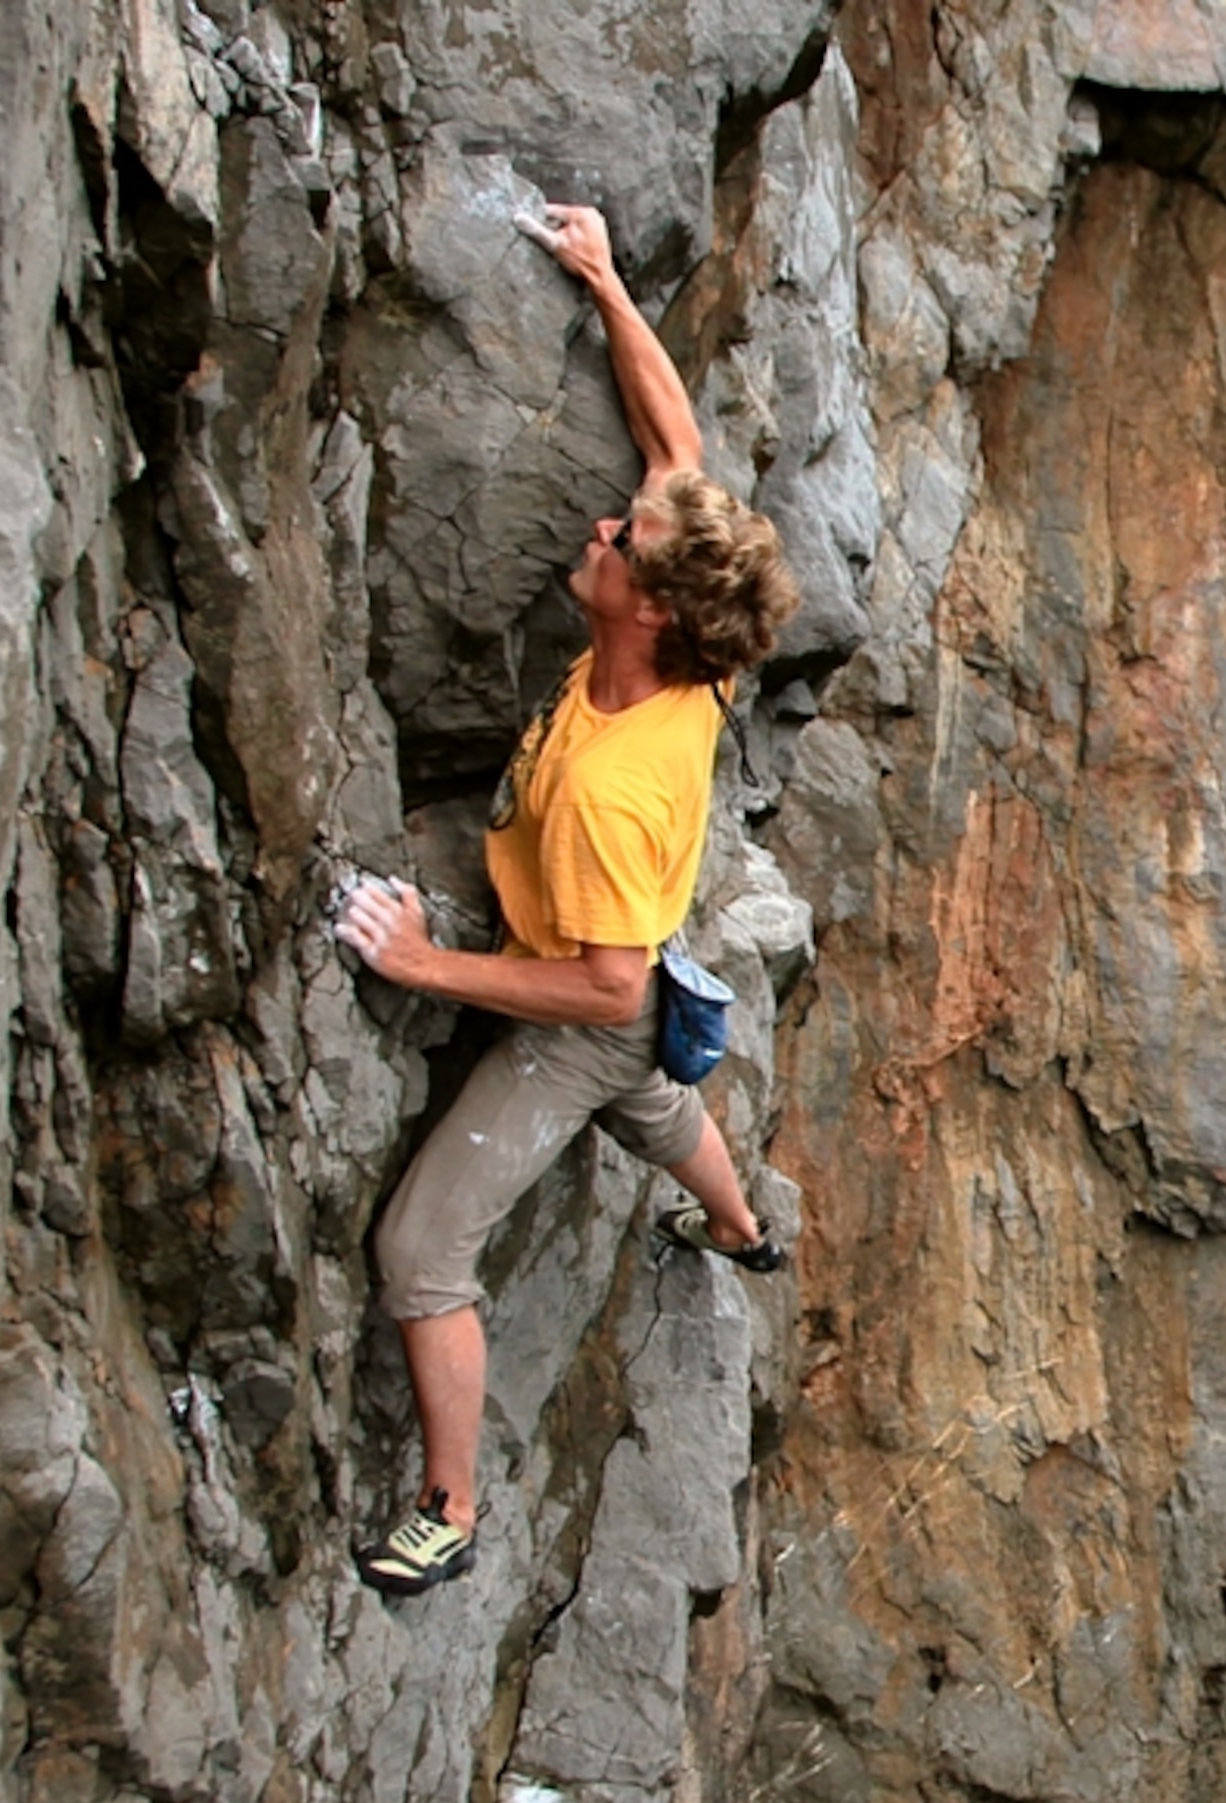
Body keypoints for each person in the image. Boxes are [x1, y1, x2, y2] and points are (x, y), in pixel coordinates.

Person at [334, 203, 799, 1597]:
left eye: (621, 542)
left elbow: (595, 991)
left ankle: (453, 1507)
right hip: (642, 964)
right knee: (658, 1096)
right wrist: (602, 280)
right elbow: (676, 446)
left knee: (422, 1245)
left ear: (645, 607)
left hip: (591, 991)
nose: (604, 526)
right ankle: (743, 1227)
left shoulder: (613, 785)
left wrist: (423, 967)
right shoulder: (699, 650)